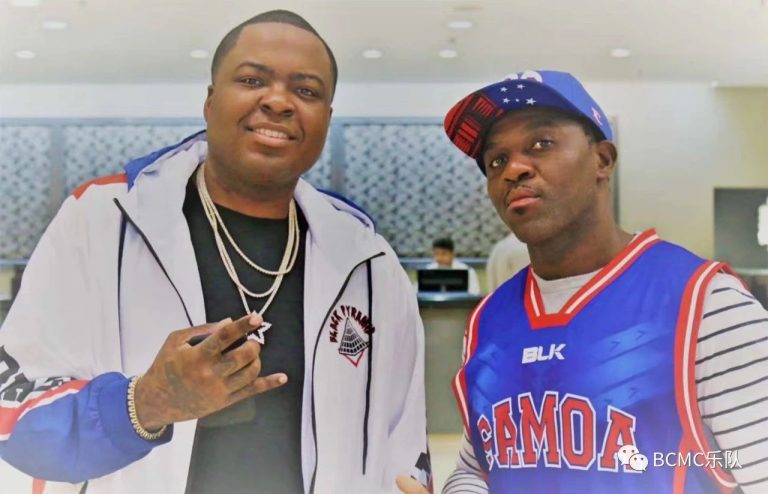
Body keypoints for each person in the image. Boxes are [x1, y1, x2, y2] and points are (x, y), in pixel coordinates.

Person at [0, 10, 431, 493]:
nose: (278, 101)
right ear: (210, 101)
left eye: (307, 91)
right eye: (252, 80)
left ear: (327, 120)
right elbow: (13, 418)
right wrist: (147, 402)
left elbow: (405, 447)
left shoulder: (368, 262)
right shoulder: (103, 221)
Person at [404, 69, 768, 493]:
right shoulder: (489, 320)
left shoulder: (705, 303)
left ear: (603, 160)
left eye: (541, 143)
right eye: (496, 160)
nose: (513, 169)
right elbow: (477, 467)